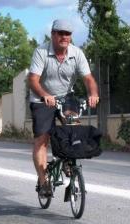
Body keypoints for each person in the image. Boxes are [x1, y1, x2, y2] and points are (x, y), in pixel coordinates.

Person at [28, 19, 99, 197]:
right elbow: (33, 80)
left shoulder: (77, 53)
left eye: (67, 34)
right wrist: (45, 95)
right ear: (53, 34)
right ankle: (44, 182)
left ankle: (69, 161)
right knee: (42, 140)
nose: (64, 37)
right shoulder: (41, 51)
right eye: (60, 33)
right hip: (41, 99)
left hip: (66, 97)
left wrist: (93, 94)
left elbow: (89, 79)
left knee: (73, 131)